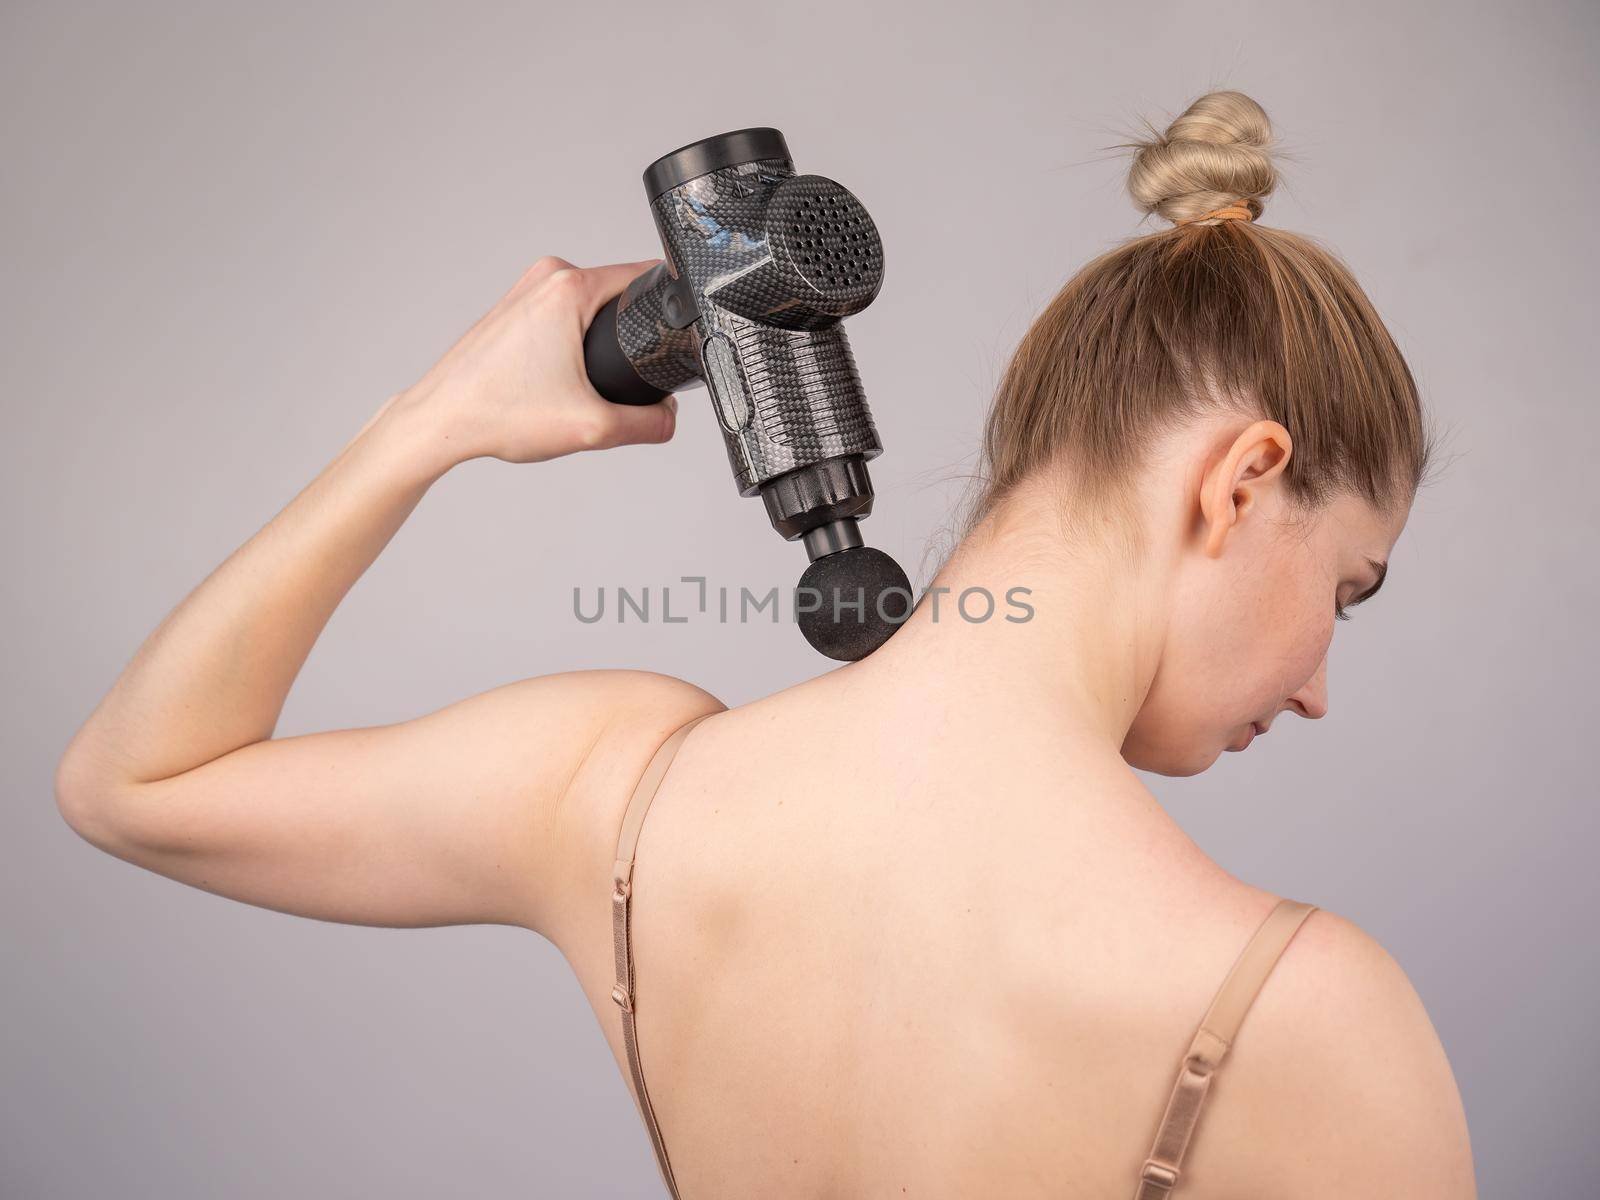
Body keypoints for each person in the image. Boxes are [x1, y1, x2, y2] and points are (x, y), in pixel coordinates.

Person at [55, 89, 1475, 1197]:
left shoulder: (615, 798)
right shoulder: (1306, 1016)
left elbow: (135, 782)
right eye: (1346, 591)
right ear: (1241, 478)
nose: (1316, 691)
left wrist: (432, 425)